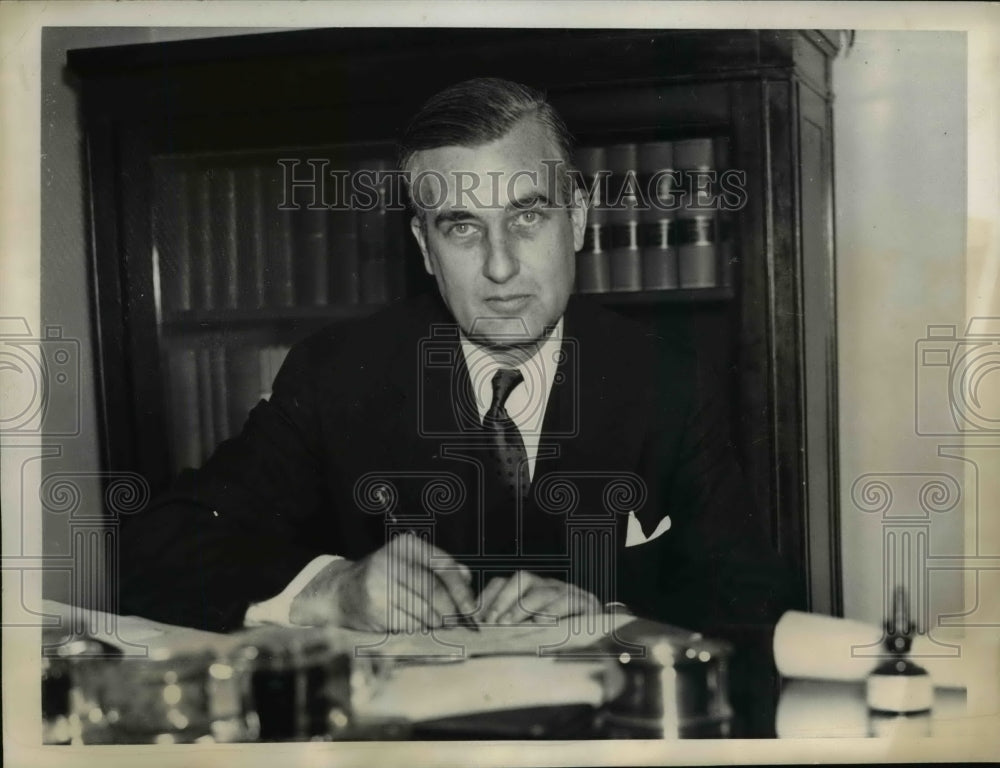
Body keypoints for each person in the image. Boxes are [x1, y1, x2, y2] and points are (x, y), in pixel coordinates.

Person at [119, 79, 798, 653]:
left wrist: (611, 618)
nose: (499, 267)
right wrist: (330, 590)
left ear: (580, 220)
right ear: (423, 245)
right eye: (462, 226)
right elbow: (159, 547)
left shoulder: (669, 377)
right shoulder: (338, 374)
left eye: (527, 217)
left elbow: (752, 600)